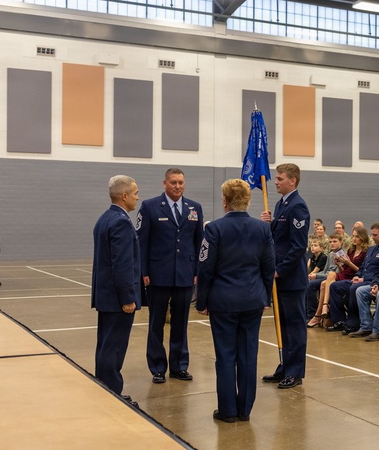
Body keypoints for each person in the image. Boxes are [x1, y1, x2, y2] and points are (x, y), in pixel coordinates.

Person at [195, 179, 274, 423]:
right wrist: (266, 297)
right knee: (249, 355)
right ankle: (245, 410)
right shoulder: (262, 229)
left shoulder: (214, 229)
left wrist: (201, 301)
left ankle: (227, 411)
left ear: (225, 201)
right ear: (248, 201)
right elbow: (269, 267)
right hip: (252, 299)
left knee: (226, 356)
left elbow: (205, 267)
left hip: (223, 301)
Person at [136, 167, 204, 384]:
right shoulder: (150, 206)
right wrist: (143, 271)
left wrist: (196, 271)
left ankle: (179, 366)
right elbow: (141, 242)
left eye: (181, 183)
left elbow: (199, 242)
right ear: (164, 184)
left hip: (185, 274)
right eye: (173, 182)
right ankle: (157, 367)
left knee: (181, 323)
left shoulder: (195, 207)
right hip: (157, 275)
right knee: (156, 322)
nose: (177, 186)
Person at [260, 163, 310, 390]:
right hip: (278, 277)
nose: (276, 182)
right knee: (283, 326)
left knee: (295, 326)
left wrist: (279, 270)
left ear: (293, 181)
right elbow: (278, 239)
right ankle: (284, 366)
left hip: (290, 279)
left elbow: (298, 247)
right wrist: (267, 224)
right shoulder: (281, 204)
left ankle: (295, 372)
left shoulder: (297, 207)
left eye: (280, 178)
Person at [91, 175, 141, 398]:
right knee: (114, 347)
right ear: (124, 196)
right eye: (135, 193)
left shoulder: (105, 218)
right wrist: (128, 298)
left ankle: (103, 387)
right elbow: (122, 264)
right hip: (116, 298)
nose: (137, 198)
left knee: (105, 345)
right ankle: (112, 393)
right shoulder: (120, 221)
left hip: (106, 296)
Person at [326, 222, 379, 334]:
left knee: (354, 288)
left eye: (375, 235)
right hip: (361, 279)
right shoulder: (372, 249)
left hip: (372, 281)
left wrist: (363, 279)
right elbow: (363, 267)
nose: (372, 237)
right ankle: (339, 320)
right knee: (335, 286)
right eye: (372, 235)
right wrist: (357, 276)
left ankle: (353, 323)